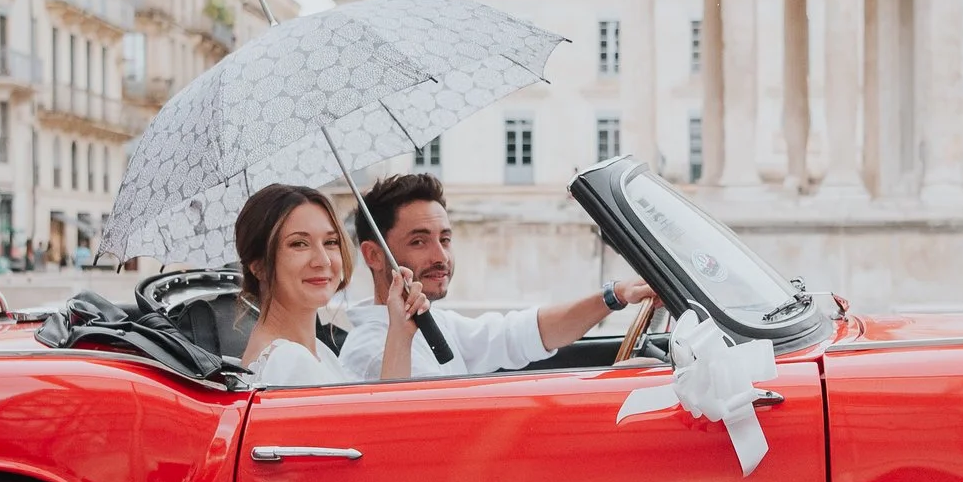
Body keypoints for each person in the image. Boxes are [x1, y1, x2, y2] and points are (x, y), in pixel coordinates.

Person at [337, 172, 654, 381]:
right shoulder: (374, 351)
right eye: (418, 241)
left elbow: (519, 333)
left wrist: (617, 295)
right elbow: (438, 416)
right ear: (373, 255)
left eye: (445, 239)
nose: (441, 256)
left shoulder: (434, 324)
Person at [233, 183, 428, 387]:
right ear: (259, 266)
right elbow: (388, 420)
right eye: (299, 244)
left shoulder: (316, 351)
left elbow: (382, 415)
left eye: (331, 242)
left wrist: (400, 331)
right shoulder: (290, 360)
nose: (323, 260)